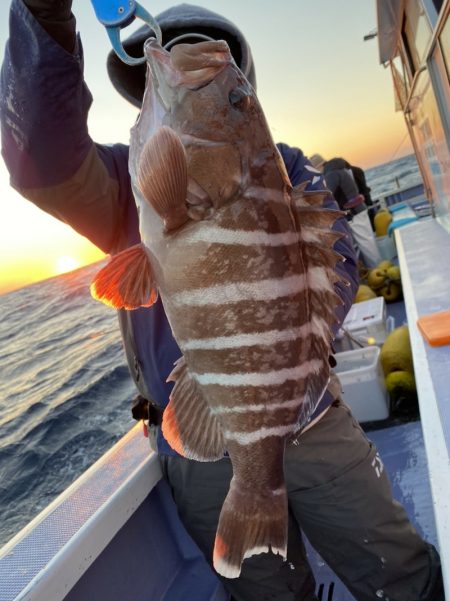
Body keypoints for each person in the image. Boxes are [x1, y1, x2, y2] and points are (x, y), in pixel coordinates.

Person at [0, 2, 444, 600]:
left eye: (228, 88)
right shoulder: (123, 188)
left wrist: (267, 367)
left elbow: (337, 265)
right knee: (267, 595)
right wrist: (45, 18)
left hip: (310, 415)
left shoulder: (287, 170)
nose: (198, 63)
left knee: (402, 573)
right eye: (174, 55)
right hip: (200, 441)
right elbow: (41, 162)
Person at [309, 154, 382, 268]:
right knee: (366, 242)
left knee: (367, 245)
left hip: (355, 213)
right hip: (356, 212)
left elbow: (325, 195)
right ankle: (375, 268)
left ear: (319, 167)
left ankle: (379, 269)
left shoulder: (331, 174)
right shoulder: (337, 168)